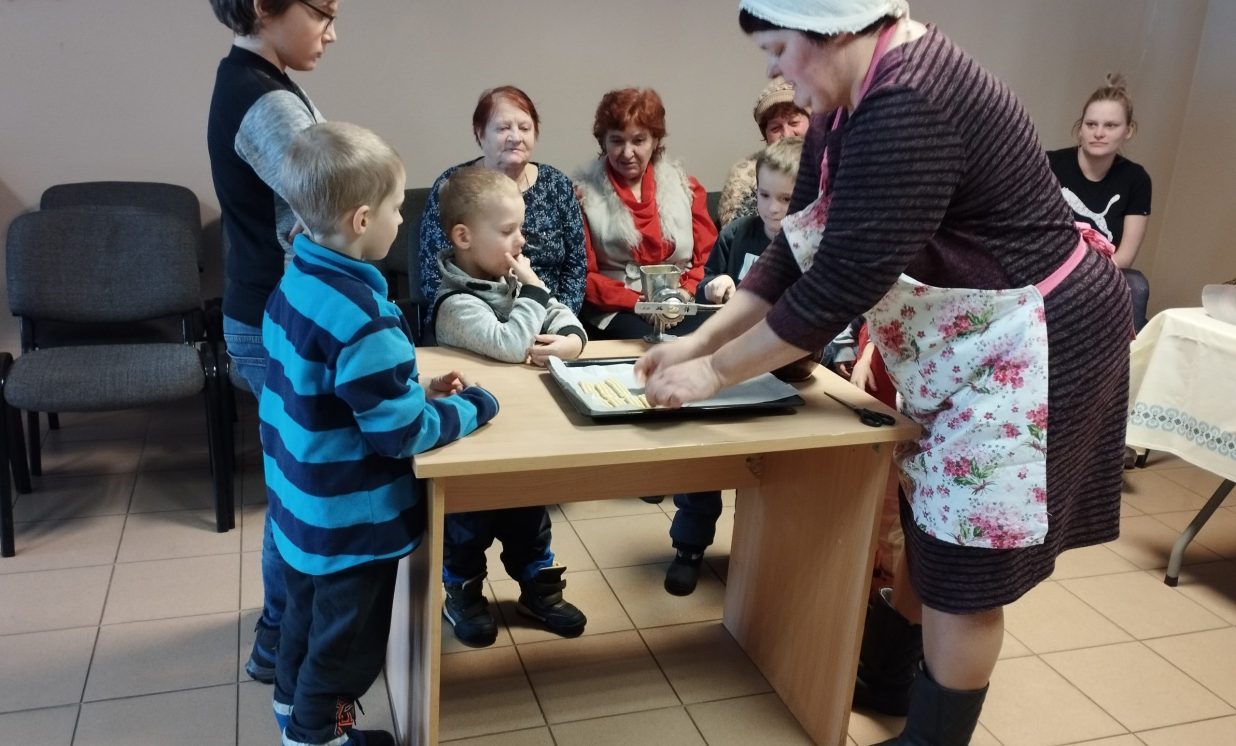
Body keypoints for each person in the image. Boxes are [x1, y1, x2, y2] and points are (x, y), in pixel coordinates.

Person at [638, 3, 1131, 744]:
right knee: (929, 525)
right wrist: (697, 342)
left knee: (965, 574)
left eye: (778, 47)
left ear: (836, 29)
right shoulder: (844, 98)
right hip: (977, 339)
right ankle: (891, 676)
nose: (773, 69)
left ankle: (930, 737)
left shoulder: (910, 100)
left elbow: (837, 285)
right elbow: (797, 247)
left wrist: (713, 375)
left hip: (1037, 339)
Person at [263, 121, 499, 746]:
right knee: (344, 656)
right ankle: (321, 735)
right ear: (363, 220)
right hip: (352, 524)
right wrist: (474, 407)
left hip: (301, 508)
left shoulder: (297, 280)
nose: (401, 220)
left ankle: (292, 714)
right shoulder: (365, 317)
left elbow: (326, 391)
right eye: (397, 208)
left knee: (304, 626)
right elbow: (402, 435)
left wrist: (409, 385)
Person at [206, 0, 337, 685]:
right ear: (263, 6)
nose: (331, 32)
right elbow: (330, 208)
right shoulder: (264, 100)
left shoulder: (254, 81)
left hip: (263, 314)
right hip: (272, 318)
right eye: (323, 12)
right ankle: (280, 640)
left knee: (293, 484)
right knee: (300, 491)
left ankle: (280, 636)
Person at [431, 167, 589, 645]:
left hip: (521, 434)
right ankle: (463, 594)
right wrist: (535, 291)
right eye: (507, 231)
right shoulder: (455, 303)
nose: (521, 241)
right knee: (467, 527)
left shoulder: (507, 280)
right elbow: (508, 343)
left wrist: (571, 342)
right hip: (471, 445)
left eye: (520, 228)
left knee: (529, 518)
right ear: (463, 237)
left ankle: (537, 587)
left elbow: (559, 314)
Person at [656, 136, 806, 597]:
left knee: (777, 472)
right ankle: (689, 547)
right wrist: (714, 287)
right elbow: (707, 290)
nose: (773, 209)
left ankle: (761, 556)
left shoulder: (813, 245)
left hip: (788, 371)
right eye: (764, 195)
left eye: (786, 199)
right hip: (730, 366)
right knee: (705, 459)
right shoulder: (737, 235)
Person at [419, 85, 587, 330]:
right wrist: (502, 327)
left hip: (548, 320)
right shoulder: (454, 185)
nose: (516, 137)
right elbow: (433, 274)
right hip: (474, 323)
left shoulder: (557, 184)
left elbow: (576, 267)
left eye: (525, 128)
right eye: (503, 128)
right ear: (480, 133)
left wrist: (559, 328)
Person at [1048, 74, 1152, 331]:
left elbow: (1124, 256)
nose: (1098, 133)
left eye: (1111, 125)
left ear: (1129, 130)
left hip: (1100, 272)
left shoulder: (1136, 179)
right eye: (1091, 124)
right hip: (1047, 265)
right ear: (1080, 128)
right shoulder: (1049, 164)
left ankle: (1118, 357)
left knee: (1136, 285)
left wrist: (1085, 276)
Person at [716, 77, 811, 227]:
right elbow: (739, 232)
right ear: (765, 135)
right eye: (775, 128)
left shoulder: (830, 165)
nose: (786, 134)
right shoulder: (744, 176)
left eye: (794, 123)